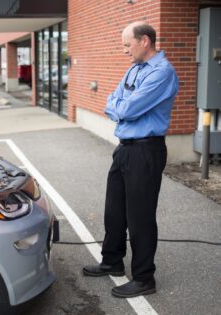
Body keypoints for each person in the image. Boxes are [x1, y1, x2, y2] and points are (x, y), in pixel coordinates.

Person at [83, 21, 179, 298]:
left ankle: (144, 278)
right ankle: (112, 261)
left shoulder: (162, 72)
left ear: (145, 41)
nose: (124, 50)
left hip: (146, 151)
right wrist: (120, 106)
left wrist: (120, 106)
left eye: (127, 44)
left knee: (140, 217)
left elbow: (129, 107)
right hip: (124, 148)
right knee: (114, 211)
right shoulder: (135, 68)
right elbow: (114, 101)